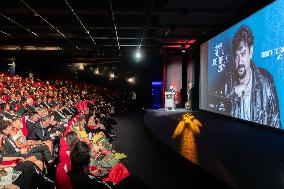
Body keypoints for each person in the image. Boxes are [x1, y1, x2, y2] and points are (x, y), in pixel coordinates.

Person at [229, 25, 281, 128]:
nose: (239, 61)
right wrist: (233, 92)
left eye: (243, 54)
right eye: (237, 56)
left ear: (251, 51)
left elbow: (276, 122)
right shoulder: (228, 81)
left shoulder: (267, 82)